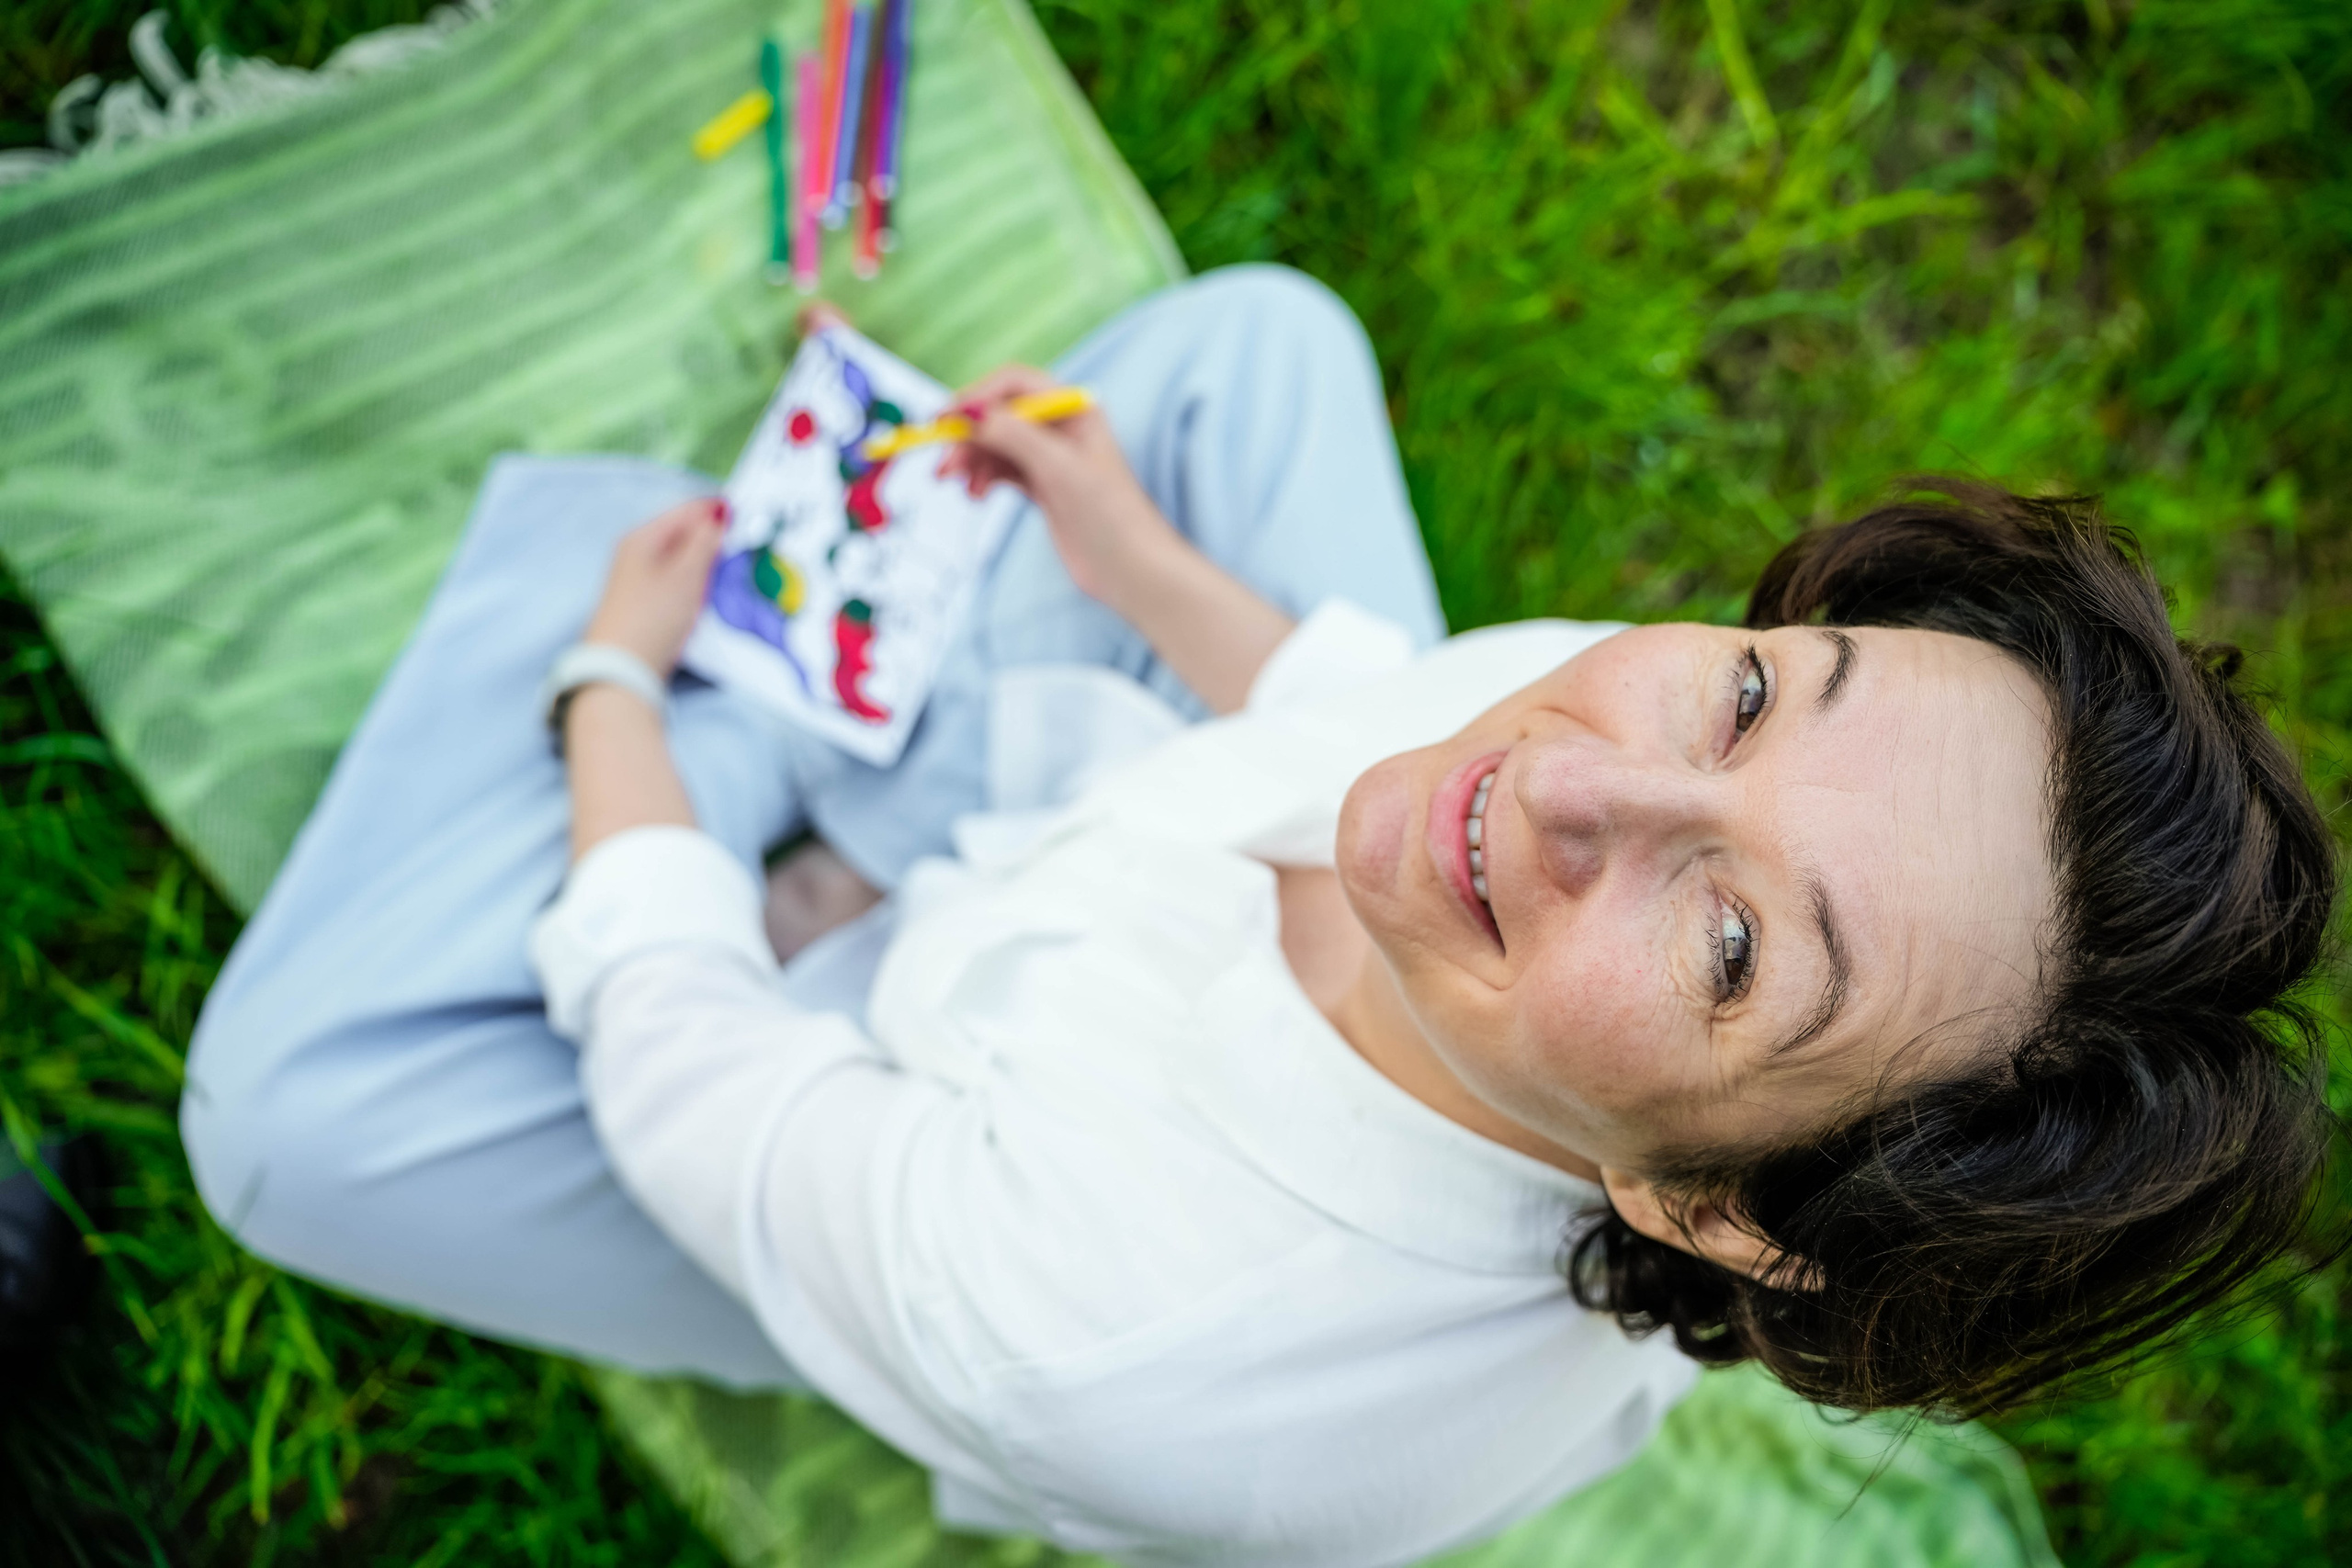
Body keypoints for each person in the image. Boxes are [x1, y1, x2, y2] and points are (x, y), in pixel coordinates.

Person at [181, 265, 2339, 1567]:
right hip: (1068, 843)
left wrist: (617, 706)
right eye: (1764, 683)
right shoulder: (1608, 783)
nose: (1581, 766)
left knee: (282, 1120)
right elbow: (1353, 704)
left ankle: (751, 729)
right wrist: (1125, 553)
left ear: (1721, 1216)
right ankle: (836, 704)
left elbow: (693, 1071)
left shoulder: (1095, 1318)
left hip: (891, 1062)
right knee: (1256, 349)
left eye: (1732, 944)